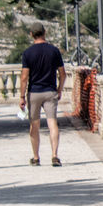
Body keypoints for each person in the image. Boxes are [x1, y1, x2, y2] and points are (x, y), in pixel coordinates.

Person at [19, 21, 65, 167]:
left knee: (34, 125)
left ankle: (36, 157)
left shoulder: (27, 53)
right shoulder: (54, 51)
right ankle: (55, 155)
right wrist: (59, 89)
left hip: (34, 93)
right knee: (52, 123)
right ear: (45, 33)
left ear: (31, 35)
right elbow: (62, 74)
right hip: (50, 91)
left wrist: (21, 97)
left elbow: (24, 78)